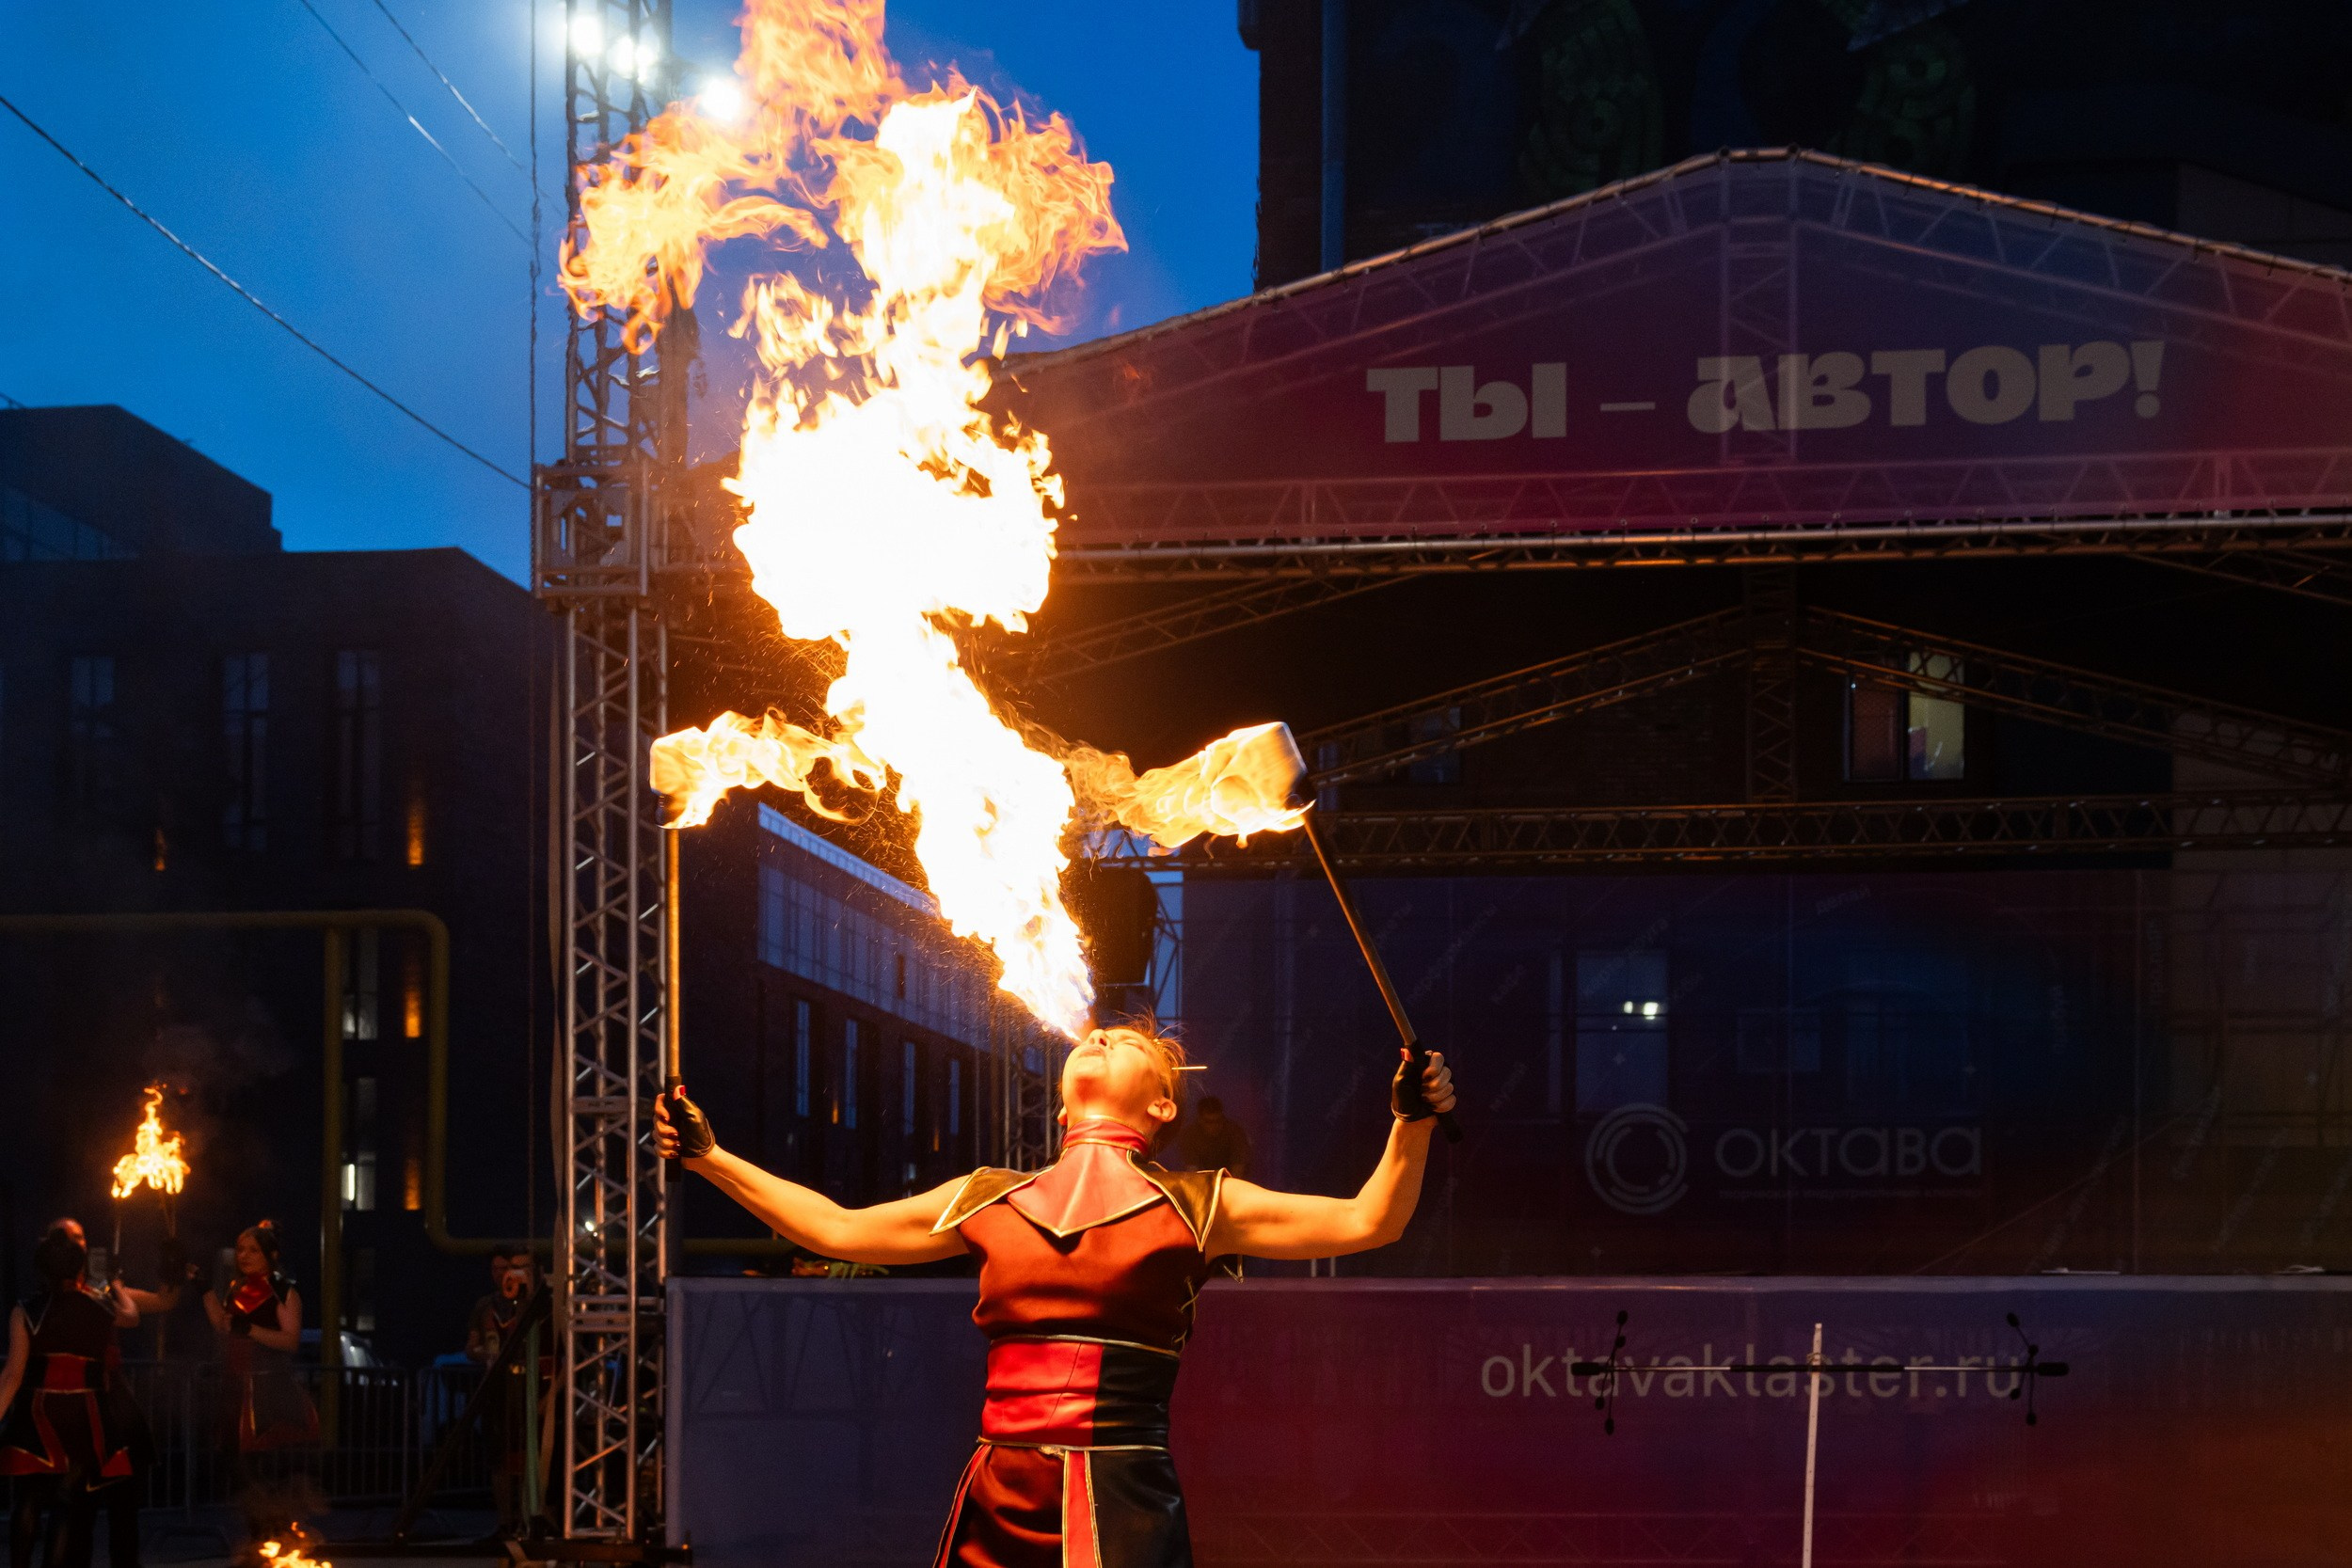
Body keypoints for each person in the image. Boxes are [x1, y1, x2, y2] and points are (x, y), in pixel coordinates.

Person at [657, 1023, 1456, 1568]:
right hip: (998, 1490)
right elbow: (835, 1228)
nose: (1103, 1034)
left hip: (1121, 1498)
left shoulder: (1203, 1201)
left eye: (1136, 1042)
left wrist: (1409, 1121)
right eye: (1097, 1034)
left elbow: (1370, 1217)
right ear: (1064, 1097)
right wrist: (709, 1156)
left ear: (1164, 1104)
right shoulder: (987, 1195)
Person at [31, 1220, 177, 1568]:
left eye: (80, 1236)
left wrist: (169, 1261)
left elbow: (163, 1301)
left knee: (124, 1501)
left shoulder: (104, 1290)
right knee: (75, 1506)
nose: (76, 1243)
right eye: (66, 1238)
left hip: (112, 1401)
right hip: (73, 1405)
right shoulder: (47, 1298)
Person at [0, 1225, 139, 1568]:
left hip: (39, 1411)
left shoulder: (25, 1310)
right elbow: (133, 1317)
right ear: (79, 1267)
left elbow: (13, 1375)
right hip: (85, 1414)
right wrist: (118, 1286)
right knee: (67, 1504)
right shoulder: (101, 1306)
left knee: (29, 1500)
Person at [200, 1222, 317, 1507]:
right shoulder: (236, 1288)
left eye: (253, 1250)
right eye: (240, 1249)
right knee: (234, 1463)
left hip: (269, 1390)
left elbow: (290, 1341)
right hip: (236, 1388)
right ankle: (259, 1532)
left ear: (270, 1255)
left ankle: (275, 1532)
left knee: (267, 1467)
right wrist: (204, 1290)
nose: (244, 1255)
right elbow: (223, 1326)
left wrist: (250, 1329)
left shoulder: (284, 1292)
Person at [1174, 1097, 1252, 1180]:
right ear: (1200, 1120)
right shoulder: (1189, 1135)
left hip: (1231, 1181)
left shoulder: (1235, 1133)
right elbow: (1192, 1172)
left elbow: (1238, 1171)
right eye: (1209, 1122)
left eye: (1218, 1121)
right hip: (1202, 1181)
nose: (1214, 1126)